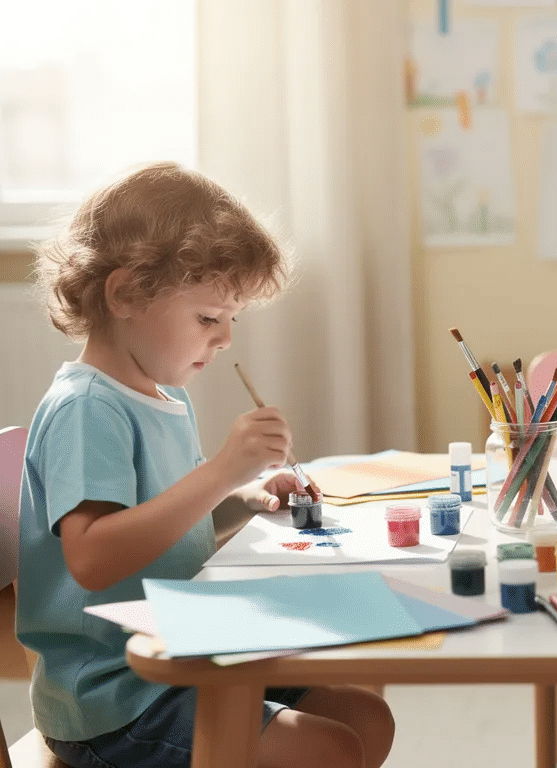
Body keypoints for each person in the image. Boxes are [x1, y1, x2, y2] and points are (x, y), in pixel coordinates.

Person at [16, 163, 395, 768]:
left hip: (181, 652)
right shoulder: (87, 410)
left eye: (231, 322)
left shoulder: (164, 400)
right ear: (124, 295)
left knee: (364, 717)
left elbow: (168, 526)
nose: (223, 342)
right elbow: (93, 559)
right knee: (326, 748)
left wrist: (245, 499)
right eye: (207, 319)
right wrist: (220, 470)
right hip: (116, 699)